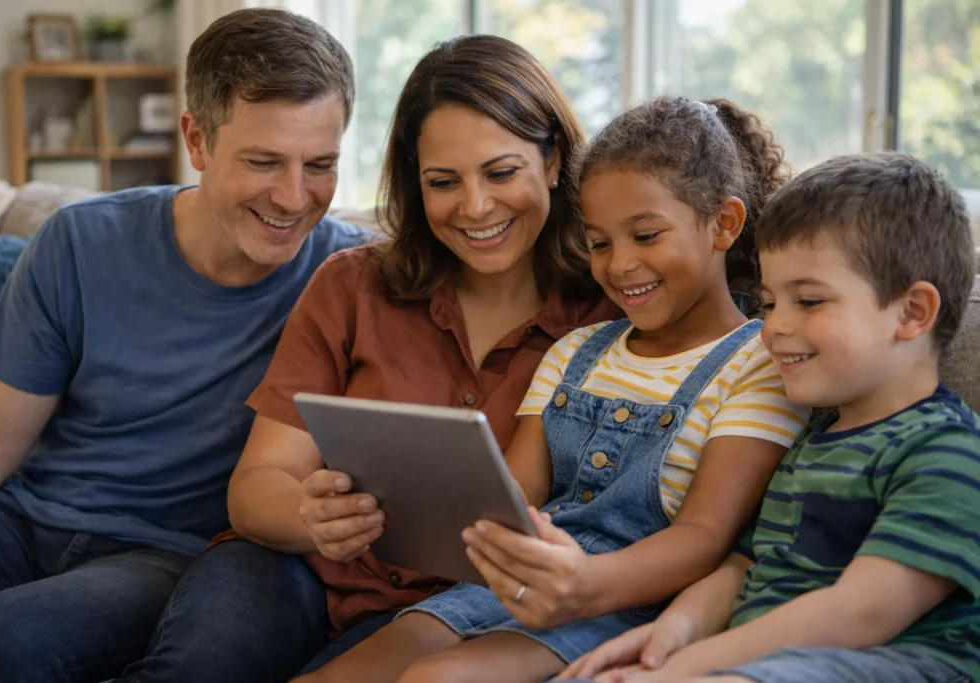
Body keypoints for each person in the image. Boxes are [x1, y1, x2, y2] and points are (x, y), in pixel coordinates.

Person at [111, 34, 622, 683]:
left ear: (552, 161)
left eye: (501, 172)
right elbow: (256, 485)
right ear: (413, 181)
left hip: (456, 607)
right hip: (289, 568)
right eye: (442, 181)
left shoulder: (609, 316)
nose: (475, 206)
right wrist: (309, 515)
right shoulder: (353, 285)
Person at [296, 96, 812, 683]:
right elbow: (517, 493)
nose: (620, 266)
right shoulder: (575, 351)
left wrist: (586, 583)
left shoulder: (758, 362)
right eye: (600, 243)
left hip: (629, 601)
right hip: (521, 583)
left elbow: (704, 537)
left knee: (435, 679)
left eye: (645, 236)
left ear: (724, 224)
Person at [0, 8, 366, 683]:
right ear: (196, 140)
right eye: (264, 162)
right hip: (23, 519)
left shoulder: (351, 280)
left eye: (319, 165)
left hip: (169, 554)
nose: (295, 197)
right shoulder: (79, 241)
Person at [560, 152, 980, 683]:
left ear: (912, 313)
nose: (773, 327)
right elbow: (744, 567)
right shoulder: (814, 441)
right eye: (769, 302)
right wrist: (672, 634)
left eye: (808, 301)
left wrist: (692, 667)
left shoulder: (948, 452)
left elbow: (860, 613)